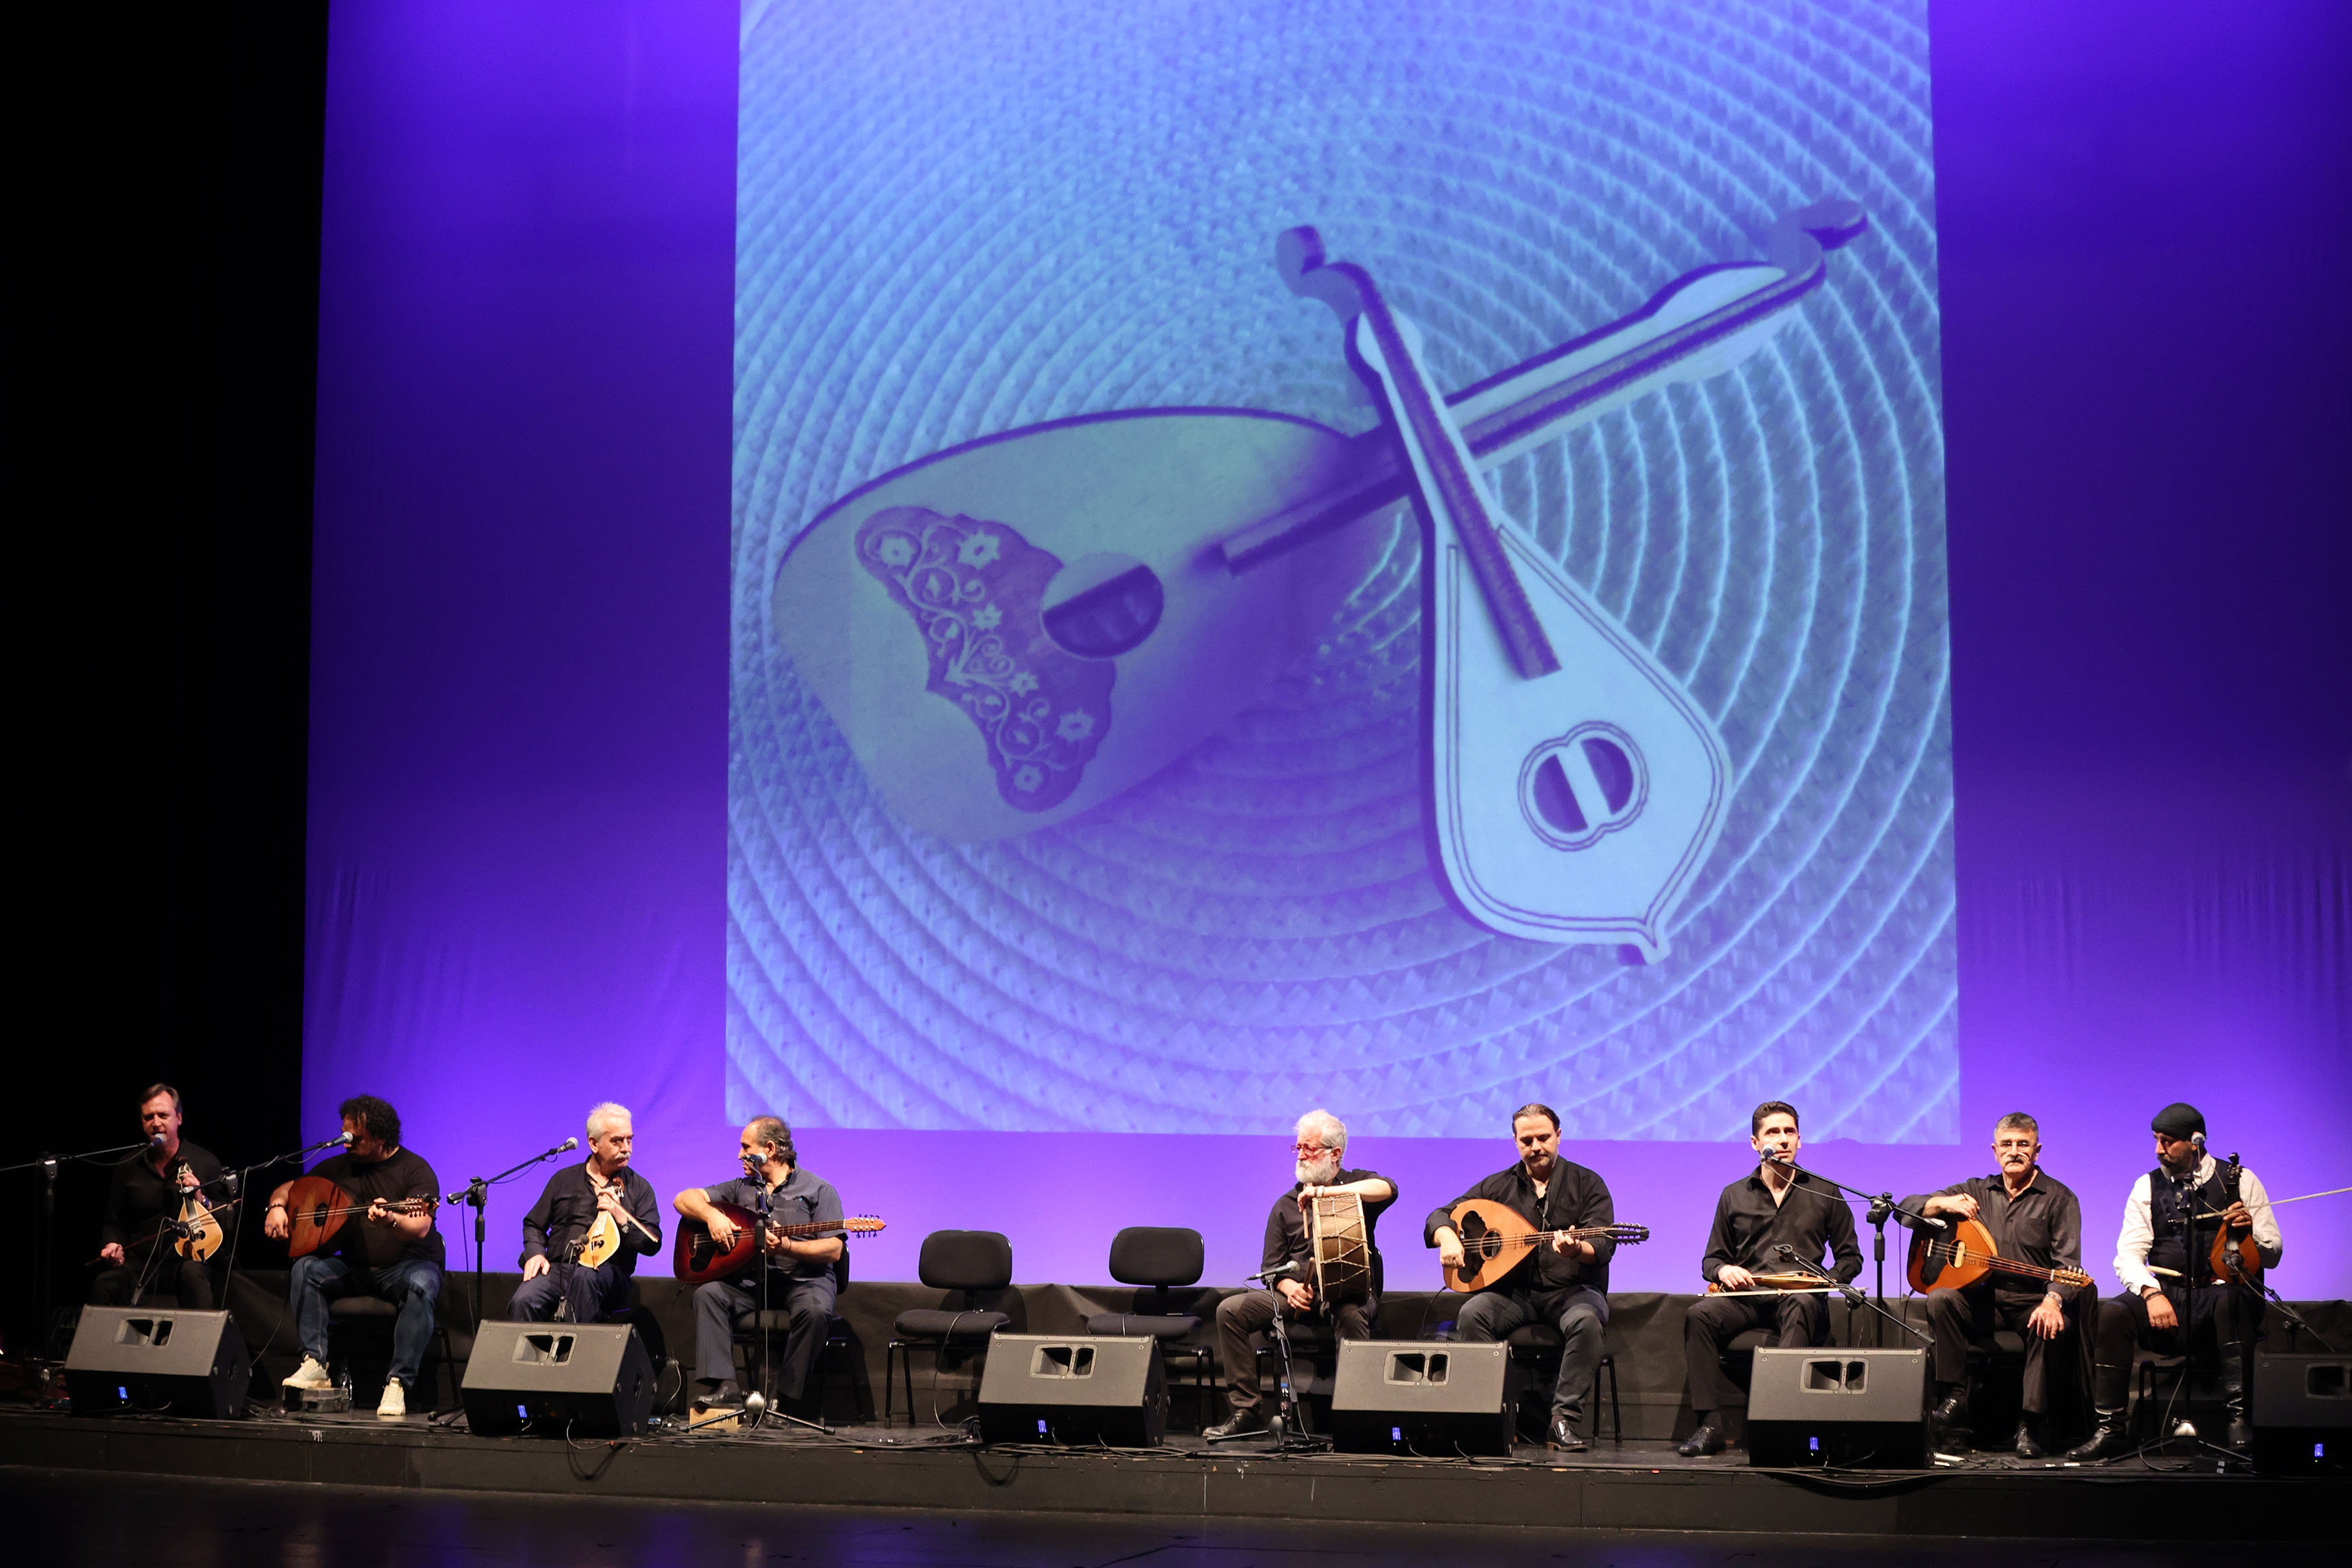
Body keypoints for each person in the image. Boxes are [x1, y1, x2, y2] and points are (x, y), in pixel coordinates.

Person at [2065, 1101, 2283, 1460]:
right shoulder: (2147, 1186)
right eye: (2156, 1140)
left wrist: (2250, 1234)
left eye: (2167, 1141)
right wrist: (2151, 1293)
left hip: (2220, 1297)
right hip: (2169, 1296)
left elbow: (2273, 1255)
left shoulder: (2241, 1180)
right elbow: (2128, 1255)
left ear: (2195, 1142)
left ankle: (2239, 1424)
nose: (2158, 1149)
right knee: (2114, 1313)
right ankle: (2111, 1430)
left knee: (2231, 1300)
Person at [1896, 1111, 2090, 1456]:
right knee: (1941, 1298)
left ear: (2037, 1150)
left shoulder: (2060, 1199)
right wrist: (1944, 1203)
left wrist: (2053, 1301)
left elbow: (2067, 1264)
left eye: (2023, 1144)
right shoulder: (1975, 1191)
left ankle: (2030, 1424)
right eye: (2007, 1144)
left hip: (2031, 1301)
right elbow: (1905, 1210)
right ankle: (1955, 1401)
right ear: (1995, 1150)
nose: (2014, 1151)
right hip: (1983, 1301)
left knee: (2045, 1322)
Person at [1427, 1103, 1618, 1451]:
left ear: (1558, 1136)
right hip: (1515, 1296)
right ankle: (1494, 1415)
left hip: (1572, 1293)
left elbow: (1604, 1244)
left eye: (1543, 1138)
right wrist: (1448, 1235)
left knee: (1587, 1321)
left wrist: (1577, 1249)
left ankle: (1562, 1421)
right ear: (1515, 1141)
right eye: (1526, 1141)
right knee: (1472, 1314)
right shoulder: (1499, 1186)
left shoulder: (1587, 1183)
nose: (1536, 1147)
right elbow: (1440, 1215)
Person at [1677, 1100, 1861, 1457]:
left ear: (1800, 1140)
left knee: (1801, 1304)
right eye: (1773, 1133)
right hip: (1748, 1299)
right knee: (1699, 1316)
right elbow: (1712, 1259)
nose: (1783, 1139)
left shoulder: (1824, 1192)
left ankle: (1781, 1422)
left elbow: (1851, 1257)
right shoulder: (1734, 1194)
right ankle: (1710, 1425)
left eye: (1789, 1132)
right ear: (1755, 1143)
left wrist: (1823, 1282)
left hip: (1800, 1299)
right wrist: (1724, 1270)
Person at [1204, 1110, 1397, 1442]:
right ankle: (1247, 1411)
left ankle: (1358, 1414)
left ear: (1335, 1153)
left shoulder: (1355, 1186)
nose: (1301, 1155)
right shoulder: (1285, 1205)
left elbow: (1388, 1188)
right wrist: (1289, 1285)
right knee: (1230, 1311)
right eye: (1298, 1148)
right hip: (1299, 1297)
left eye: (1309, 1148)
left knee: (1351, 1315)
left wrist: (1324, 1194)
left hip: (1348, 1292)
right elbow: (1272, 1265)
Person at [264, 1095, 445, 1420]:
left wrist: (391, 1220)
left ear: (380, 1137)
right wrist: (277, 1207)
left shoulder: (415, 1169)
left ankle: (398, 1384)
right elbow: (289, 1188)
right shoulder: (339, 1167)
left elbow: (420, 1226)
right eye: (344, 1135)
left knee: (422, 1284)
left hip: (405, 1268)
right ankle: (315, 1363)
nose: (346, 1143)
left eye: (355, 1138)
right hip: (356, 1268)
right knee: (306, 1268)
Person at [675, 1116, 843, 1413]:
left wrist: (788, 1247)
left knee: (816, 1311)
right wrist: (712, 1216)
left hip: (805, 1281)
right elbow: (683, 1199)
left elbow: (834, 1249)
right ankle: (725, 1387)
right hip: (754, 1283)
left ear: (769, 1149)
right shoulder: (741, 1188)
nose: (739, 1154)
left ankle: (785, 1400)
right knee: (708, 1294)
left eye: (746, 1147)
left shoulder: (819, 1190)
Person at [509, 1102, 663, 1328]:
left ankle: (579, 1351)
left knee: (585, 1278)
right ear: (594, 1143)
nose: (626, 1148)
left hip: (608, 1274)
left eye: (629, 1140)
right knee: (524, 1300)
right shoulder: (564, 1180)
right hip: (558, 1270)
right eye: (617, 1141)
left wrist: (622, 1218)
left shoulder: (639, 1188)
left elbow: (653, 1244)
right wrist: (536, 1254)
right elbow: (533, 1224)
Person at [90, 1083, 230, 1310]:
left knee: (194, 1276)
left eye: (163, 1115)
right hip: (139, 1264)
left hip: (186, 1262)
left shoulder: (205, 1162)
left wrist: (201, 1198)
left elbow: (229, 1216)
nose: (156, 1123)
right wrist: (112, 1244)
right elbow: (114, 1222)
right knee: (104, 1285)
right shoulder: (128, 1166)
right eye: (149, 1117)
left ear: (179, 1118)